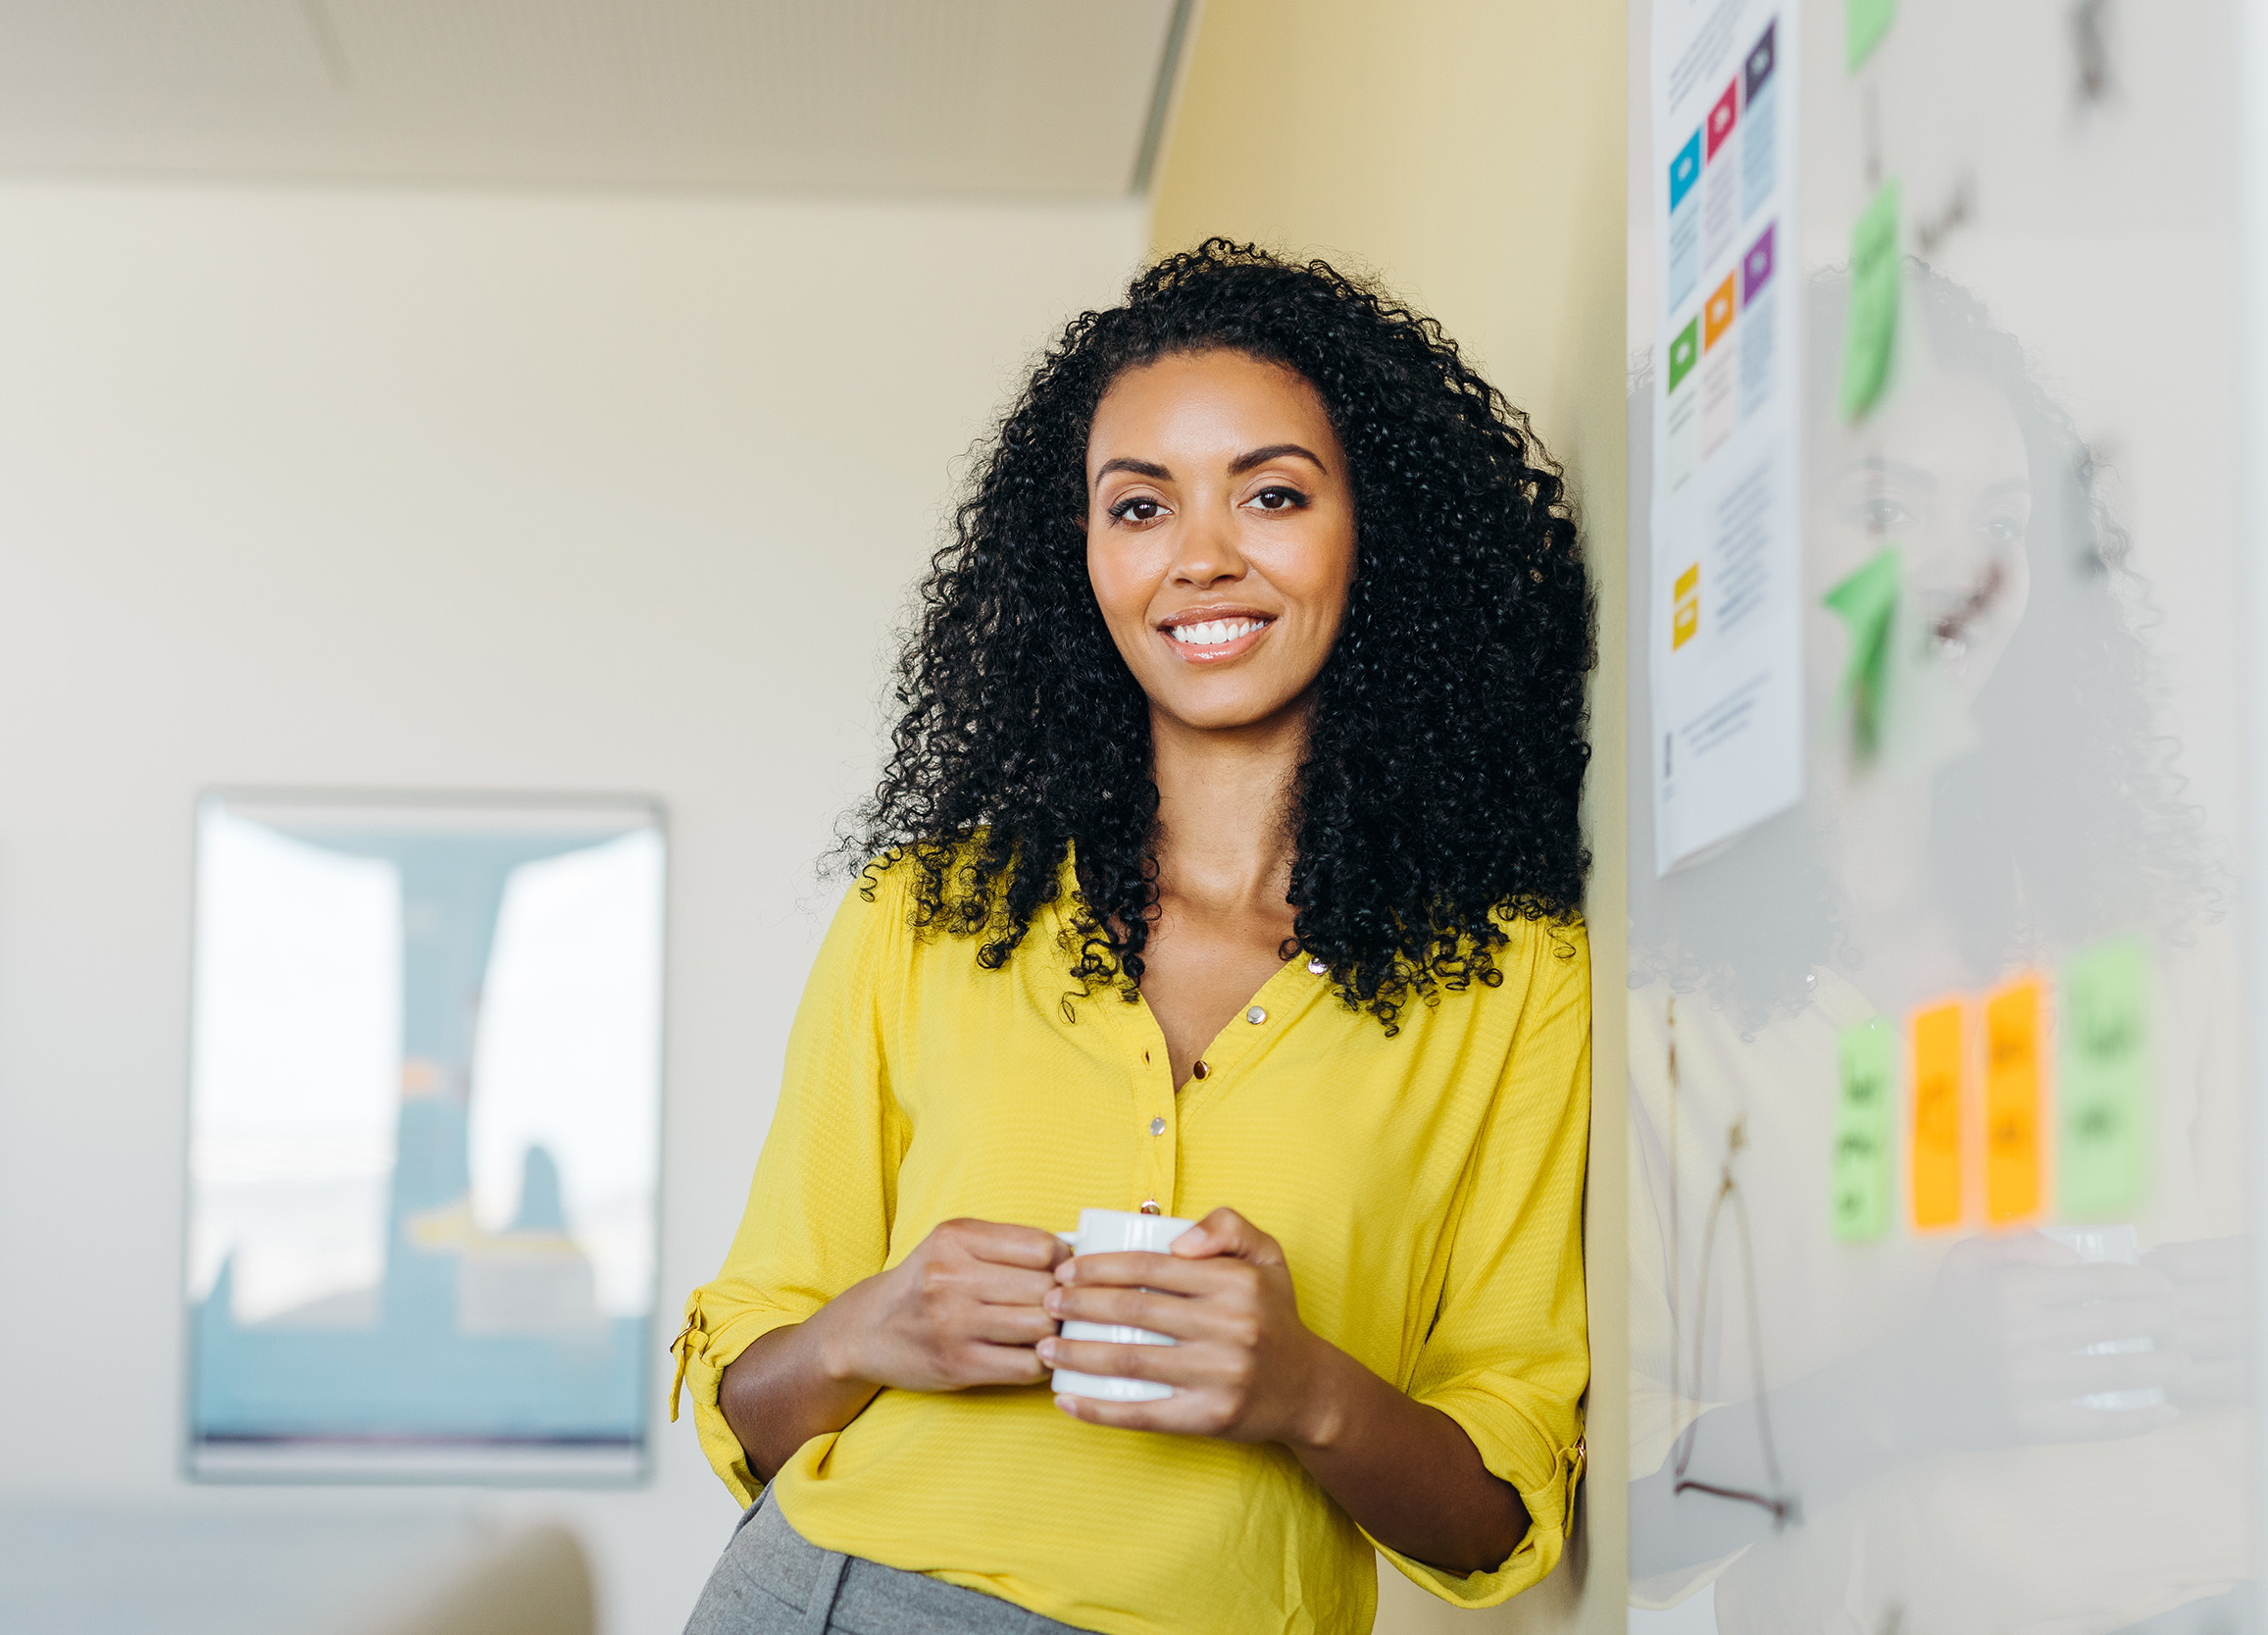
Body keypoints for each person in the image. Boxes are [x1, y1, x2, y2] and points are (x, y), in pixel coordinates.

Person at [671, 240, 1595, 1635]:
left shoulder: (1513, 973)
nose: (1203, 559)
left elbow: (1503, 1512)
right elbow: (749, 1403)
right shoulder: (924, 916)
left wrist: (1310, 1393)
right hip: (826, 1598)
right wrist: (877, 1325)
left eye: (1272, 495)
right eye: (1140, 507)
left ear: (1381, 532)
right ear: (1081, 559)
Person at [1626, 263, 2250, 1632]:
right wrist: (1900, 1394)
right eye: (1885, 507)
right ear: (1726, 548)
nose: (1968, 573)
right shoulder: (1645, 1016)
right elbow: (1604, 1529)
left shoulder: (2150, 917)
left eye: (2004, 519)